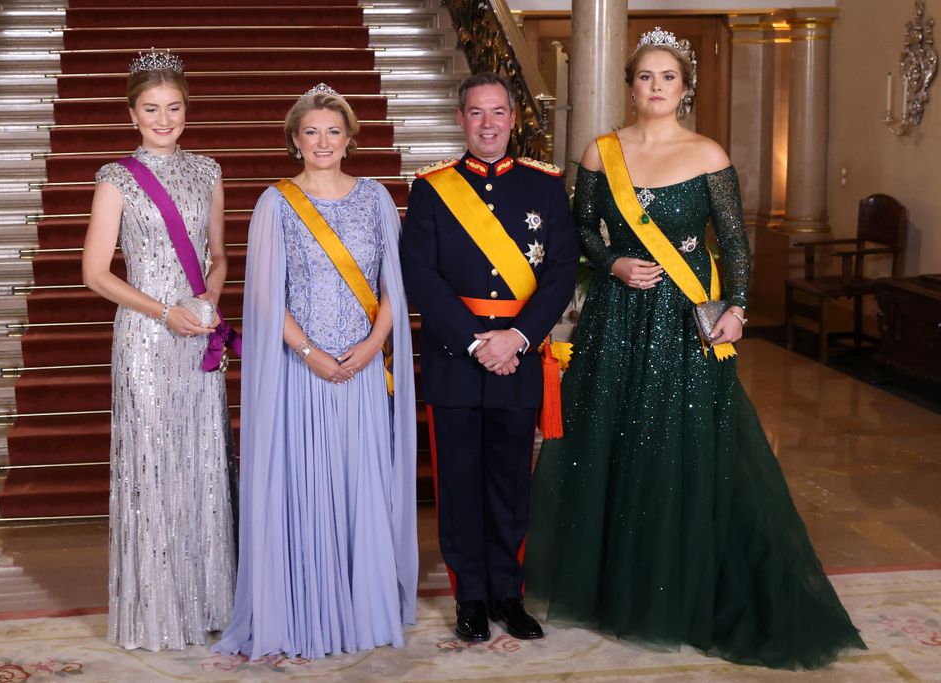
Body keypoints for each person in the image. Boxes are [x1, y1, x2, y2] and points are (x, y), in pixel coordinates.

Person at [524, 29, 867, 669]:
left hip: (686, 324)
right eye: (645, 77)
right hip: (617, 316)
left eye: (668, 78)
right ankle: (610, 584)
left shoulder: (708, 154)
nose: (655, 87)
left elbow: (735, 243)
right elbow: (579, 230)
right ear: (630, 85)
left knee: (678, 445)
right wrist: (614, 263)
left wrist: (737, 307)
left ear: (685, 88)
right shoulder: (601, 153)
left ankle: (677, 583)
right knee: (613, 440)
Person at [213, 84, 417, 661]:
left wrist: (374, 344)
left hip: (361, 367)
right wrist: (309, 354)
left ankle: (362, 610)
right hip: (301, 372)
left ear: (350, 139)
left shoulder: (377, 198)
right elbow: (263, 298)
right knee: (307, 484)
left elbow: (392, 290)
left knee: (361, 486)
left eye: (333, 131)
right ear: (294, 141)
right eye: (311, 132)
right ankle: (308, 610)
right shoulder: (275, 202)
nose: (322, 141)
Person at [401, 73, 578, 643]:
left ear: (513, 119)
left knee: (510, 484)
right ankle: (469, 597)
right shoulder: (431, 189)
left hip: (520, 357)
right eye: (476, 113)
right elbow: (420, 276)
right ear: (461, 120)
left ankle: (508, 592)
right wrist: (478, 341)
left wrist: (519, 338)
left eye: (498, 112)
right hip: (458, 359)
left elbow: (560, 274)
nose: (488, 123)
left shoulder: (545, 186)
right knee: (458, 485)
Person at [81, 50, 236, 651]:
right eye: (151, 109)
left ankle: (207, 599)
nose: (163, 119)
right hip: (146, 339)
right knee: (153, 462)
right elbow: (95, 272)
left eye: (173, 108)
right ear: (131, 111)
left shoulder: (208, 171)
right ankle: (155, 610)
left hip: (196, 329)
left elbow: (218, 254)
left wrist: (207, 299)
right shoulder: (116, 177)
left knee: (201, 457)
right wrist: (162, 310)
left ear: (186, 109)